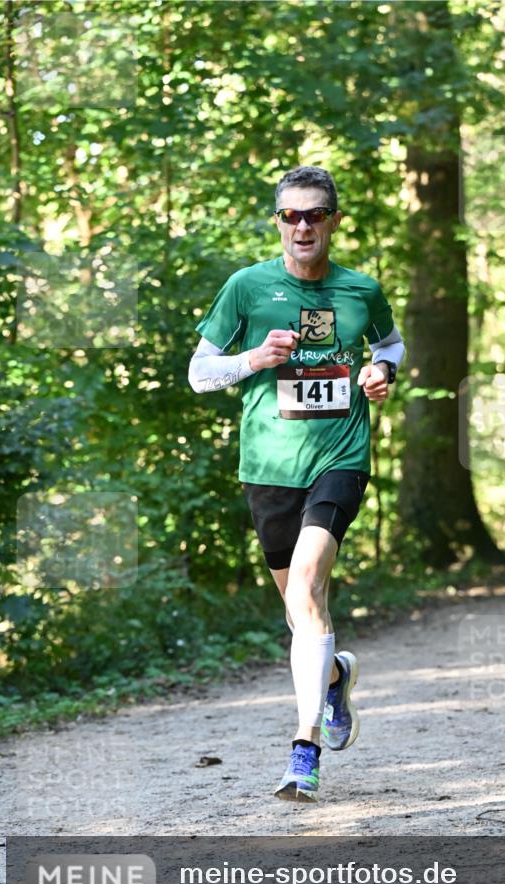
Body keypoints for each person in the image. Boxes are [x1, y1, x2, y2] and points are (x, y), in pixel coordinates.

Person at [188, 166, 405, 803]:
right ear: (278, 221)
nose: (303, 225)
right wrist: (254, 359)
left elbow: (389, 345)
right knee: (301, 612)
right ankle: (334, 674)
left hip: (340, 456)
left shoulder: (360, 290)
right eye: (291, 215)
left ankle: (304, 749)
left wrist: (378, 372)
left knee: (309, 584)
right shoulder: (247, 288)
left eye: (315, 214)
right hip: (268, 468)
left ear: (334, 220)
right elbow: (200, 374)